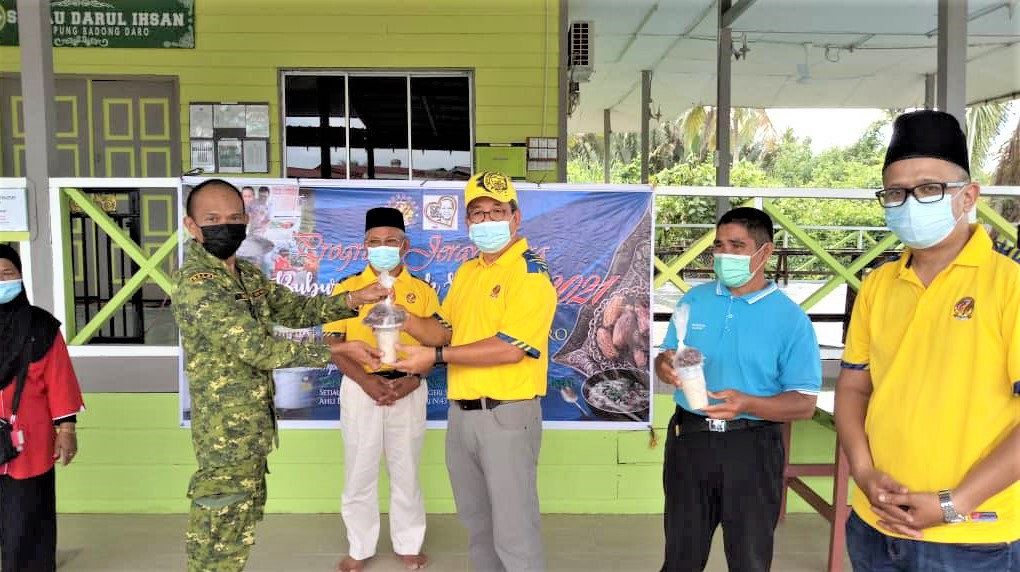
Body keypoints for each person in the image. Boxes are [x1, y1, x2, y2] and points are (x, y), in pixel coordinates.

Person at [171, 179, 391, 572]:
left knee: (240, 523)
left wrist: (353, 298)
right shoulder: (197, 285)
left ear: (246, 221)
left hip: (252, 426)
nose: (225, 225)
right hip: (225, 431)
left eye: (233, 217)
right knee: (220, 525)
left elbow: (297, 310)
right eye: (212, 219)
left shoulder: (247, 274)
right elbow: (259, 349)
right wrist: (337, 350)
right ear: (192, 225)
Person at [835, 110, 1020, 571]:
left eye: (929, 188)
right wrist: (863, 472)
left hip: (975, 537)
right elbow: (854, 387)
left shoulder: (1010, 283)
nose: (911, 202)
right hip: (875, 525)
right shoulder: (878, 284)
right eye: (896, 192)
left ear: (968, 195)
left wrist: (955, 503)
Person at [392, 171, 557, 572]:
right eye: (479, 213)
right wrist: (402, 318)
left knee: (515, 533)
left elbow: (510, 349)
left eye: (497, 212)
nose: (487, 221)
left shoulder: (530, 273)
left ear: (515, 217)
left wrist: (435, 356)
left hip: (507, 415)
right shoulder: (468, 272)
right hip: (461, 416)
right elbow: (444, 330)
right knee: (478, 527)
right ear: (467, 221)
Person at [654, 207, 822, 572]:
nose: (724, 254)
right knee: (681, 557)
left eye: (737, 245)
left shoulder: (790, 320)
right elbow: (667, 354)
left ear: (765, 252)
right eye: (719, 245)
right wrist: (664, 366)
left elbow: (803, 404)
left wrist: (748, 403)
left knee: (749, 560)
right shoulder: (693, 300)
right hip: (689, 440)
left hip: (752, 448)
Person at [324, 207, 438, 572]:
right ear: (364, 246)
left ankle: (409, 543)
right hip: (360, 388)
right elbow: (334, 344)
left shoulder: (422, 291)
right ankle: (360, 547)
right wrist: (366, 380)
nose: (382, 248)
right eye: (374, 242)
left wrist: (413, 380)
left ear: (404, 246)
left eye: (391, 241)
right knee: (360, 470)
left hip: (409, 387)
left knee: (406, 470)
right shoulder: (348, 290)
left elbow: (437, 343)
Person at [0, 244, 85, 572]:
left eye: (7, 274)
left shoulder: (41, 326)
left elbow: (59, 379)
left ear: (20, 277)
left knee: (28, 513)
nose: (1, 282)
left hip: (29, 441)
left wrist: (67, 430)